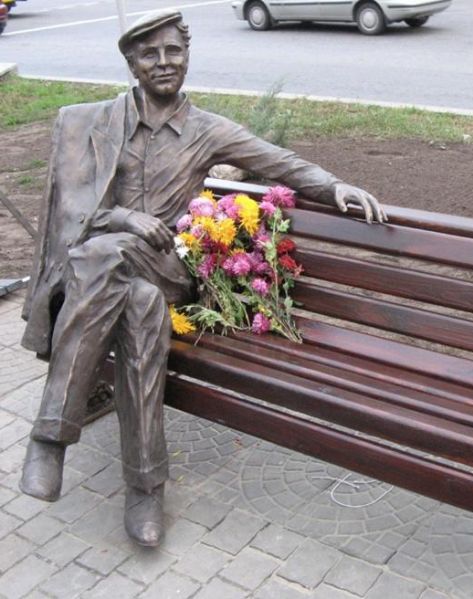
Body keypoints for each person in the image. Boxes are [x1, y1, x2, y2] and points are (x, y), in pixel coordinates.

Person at [18, 9, 386, 547]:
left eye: (174, 51)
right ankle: (145, 487)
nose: (164, 63)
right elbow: (77, 216)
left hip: (167, 266)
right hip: (111, 274)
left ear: (187, 56)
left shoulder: (205, 129)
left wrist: (333, 186)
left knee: (111, 264)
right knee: (138, 306)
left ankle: (50, 438)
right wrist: (124, 218)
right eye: (151, 54)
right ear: (131, 64)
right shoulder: (97, 125)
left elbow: (280, 162)